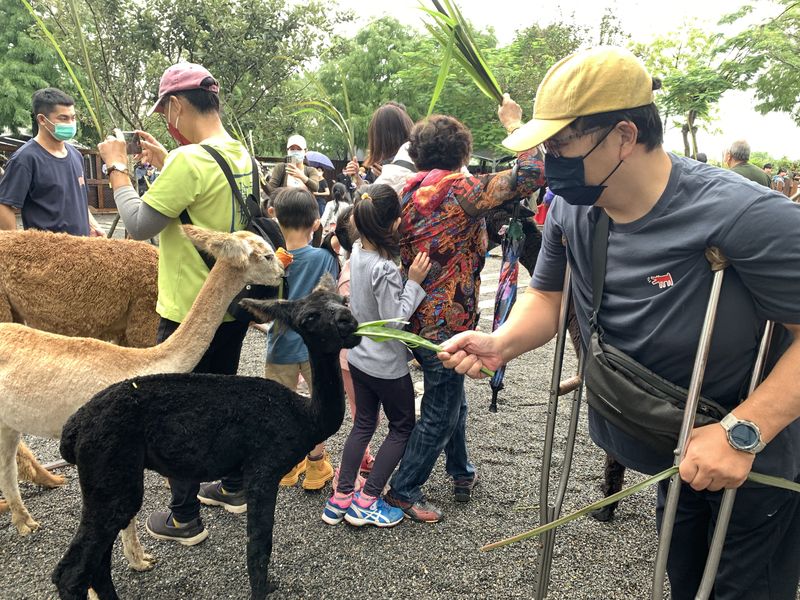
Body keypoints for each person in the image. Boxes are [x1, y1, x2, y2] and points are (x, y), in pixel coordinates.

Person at [441, 46, 800, 599]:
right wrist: (502, 342)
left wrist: (743, 432)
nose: (549, 161)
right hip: (670, 443)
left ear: (624, 136)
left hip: (751, 455)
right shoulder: (571, 206)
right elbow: (549, 296)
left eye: (560, 145)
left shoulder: (748, 215)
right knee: (684, 582)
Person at [97, 62, 258, 546]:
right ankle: (232, 486)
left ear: (177, 105)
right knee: (221, 397)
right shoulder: (237, 153)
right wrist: (171, 159)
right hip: (229, 307)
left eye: (167, 108)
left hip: (189, 311)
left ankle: (184, 516)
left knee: (181, 413)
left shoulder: (190, 163)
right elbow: (206, 196)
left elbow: (138, 223)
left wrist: (117, 168)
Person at [382, 102, 546, 523]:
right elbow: (532, 172)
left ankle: (461, 471)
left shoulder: (404, 192)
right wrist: (514, 123)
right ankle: (403, 489)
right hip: (448, 323)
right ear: (463, 154)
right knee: (441, 408)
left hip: (414, 314)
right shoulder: (461, 190)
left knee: (451, 397)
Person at [322, 184, 431, 528]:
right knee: (402, 426)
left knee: (364, 424)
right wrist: (413, 282)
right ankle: (367, 500)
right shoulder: (384, 270)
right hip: (385, 365)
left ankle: (340, 498)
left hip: (358, 357)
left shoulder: (356, 252)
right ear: (396, 224)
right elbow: (394, 321)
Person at [264, 187, 340, 489]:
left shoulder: (272, 261)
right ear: (316, 223)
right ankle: (316, 466)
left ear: (274, 217)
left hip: (280, 346)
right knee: (318, 404)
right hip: (315, 349)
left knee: (279, 406)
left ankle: (286, 465)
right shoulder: (324, 258)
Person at [0, 88, 103, 236]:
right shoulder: (25, 159)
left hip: (82, 250)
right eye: (63, 118)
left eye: (73, 118)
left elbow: (79, 201)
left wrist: (94, 225)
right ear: (42, 119)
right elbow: (4, 205)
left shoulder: (76, 155)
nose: (71, 123)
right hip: (47, 254)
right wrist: (15, 248)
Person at [343, 101, 416, 194]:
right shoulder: (380, 160)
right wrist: (357, 178)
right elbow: (369, 194)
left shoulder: (409, 158)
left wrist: (387, 177)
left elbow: (374, 200)